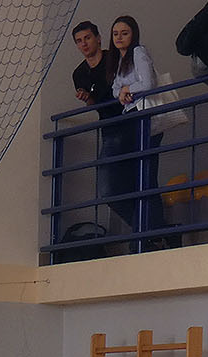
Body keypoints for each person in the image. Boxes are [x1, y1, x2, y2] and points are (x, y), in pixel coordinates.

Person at [71, 21, 138, 234]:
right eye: (79, 41)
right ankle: (146, 228)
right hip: (109, 127)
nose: (84, 44)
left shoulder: (114, 58)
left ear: (99, 38)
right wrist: (87, 98)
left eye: (87, 38)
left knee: (136, 183)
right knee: (109, 189)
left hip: (131, 120)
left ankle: (149, 230)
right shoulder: (79, 73)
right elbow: (94, 105)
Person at [110, 16, 169, 246]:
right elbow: (115, 88)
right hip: (131, 116)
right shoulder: (119, 59)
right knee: (136, 177)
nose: (119, 37)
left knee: (146, 176)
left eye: (124, 33)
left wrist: (127, 89)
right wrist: (122, 91)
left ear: (133, 34)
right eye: (115, 33)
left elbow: (148, 83)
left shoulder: (138, 52)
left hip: (144, 116)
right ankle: (151, 231)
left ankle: (149, 234)